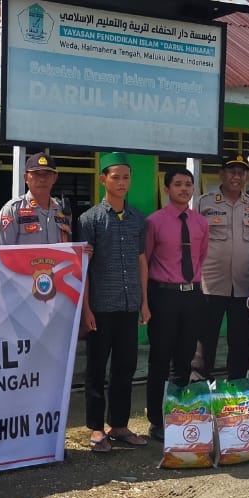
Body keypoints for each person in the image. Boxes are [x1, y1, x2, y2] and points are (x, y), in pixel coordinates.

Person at [77, 152, 150, 453]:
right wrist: (86, 309)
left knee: (125, 367)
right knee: (96, 369)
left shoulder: (137, 219)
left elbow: (141, 261)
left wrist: (144, 302)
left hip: (129, 304)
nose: (122, 182)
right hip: (100, 307)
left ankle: (118, 425)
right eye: (115, 176)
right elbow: (83, 267)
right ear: (103, 179)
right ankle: (95, 428)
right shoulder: (89, 219)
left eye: (126, 177)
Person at [144, 166, 209, 441]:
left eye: (188, 184)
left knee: (185, 358)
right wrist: (145, 302)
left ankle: (179, 411)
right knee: (160, 358)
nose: (184, 189)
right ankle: (156, 421)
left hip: (192, 295)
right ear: (167, 189)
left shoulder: (200, 223)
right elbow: (144, 261)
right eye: (178, 184)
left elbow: (201, 257)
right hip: (163, 295)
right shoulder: (154, 222)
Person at [199, 156, 249, 380]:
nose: (237, 176)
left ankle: (236, 391)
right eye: (231, 171)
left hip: (243, 287)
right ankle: (199, 391)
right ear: (221, 175)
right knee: (204, 342)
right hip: (209, 285)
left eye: (241, 172)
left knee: (239, 343)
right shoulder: (204, 203)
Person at [0, 152, 72, 244]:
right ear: (26, 178)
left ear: (55, 178)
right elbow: (3, 253)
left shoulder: (63, 209)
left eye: (47, 174)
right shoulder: (12, 210)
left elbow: (69, 249)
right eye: (36, 174)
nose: (42, 179)